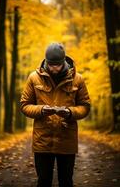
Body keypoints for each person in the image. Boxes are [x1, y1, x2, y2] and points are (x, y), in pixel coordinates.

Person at [20, 42, 90, 187]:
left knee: (66, 181)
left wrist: (70, 112)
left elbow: (85, 106)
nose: (54, 68)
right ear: (46, 61)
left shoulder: (78, 79)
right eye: (51, 64)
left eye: (57, 64)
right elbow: (24, 105)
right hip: (42, 140)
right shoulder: (34, 78)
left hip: (67, 139)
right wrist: (41, 110)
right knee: (43, 181)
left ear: (63, 61)